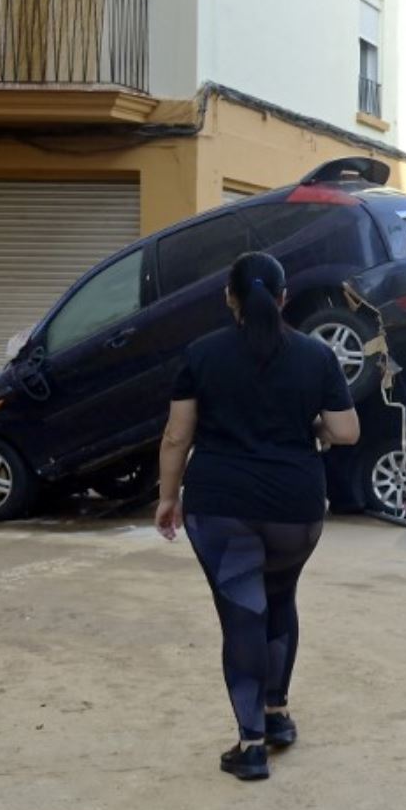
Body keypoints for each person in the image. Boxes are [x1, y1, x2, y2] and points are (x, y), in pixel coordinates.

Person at [155, 252, 360, 781]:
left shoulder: (201, 355)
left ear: (230, 298)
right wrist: (311, 429)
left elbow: (178, 435)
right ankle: (277, 715)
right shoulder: (317, 357)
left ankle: (250, 746)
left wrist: (167, 496)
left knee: (242, 614)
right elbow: (346, 431)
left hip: (222, 507)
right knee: (279, 600)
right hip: (295, 508)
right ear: (285, 297)